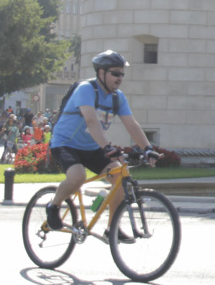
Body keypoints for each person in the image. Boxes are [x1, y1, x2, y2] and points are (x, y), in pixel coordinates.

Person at [46, 50, 160, 235]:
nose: (120, 78)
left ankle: (112, 228)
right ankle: (53, 205)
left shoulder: (118, 97)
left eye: (122, 74)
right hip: (66, 143)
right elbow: (91, 121)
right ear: (101, 72)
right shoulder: (86, 89)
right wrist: (107, 147)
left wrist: (148, 148)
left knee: (119, 177)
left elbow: (131, 124)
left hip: (92, 147)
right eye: (115, 73)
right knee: (77, 176)